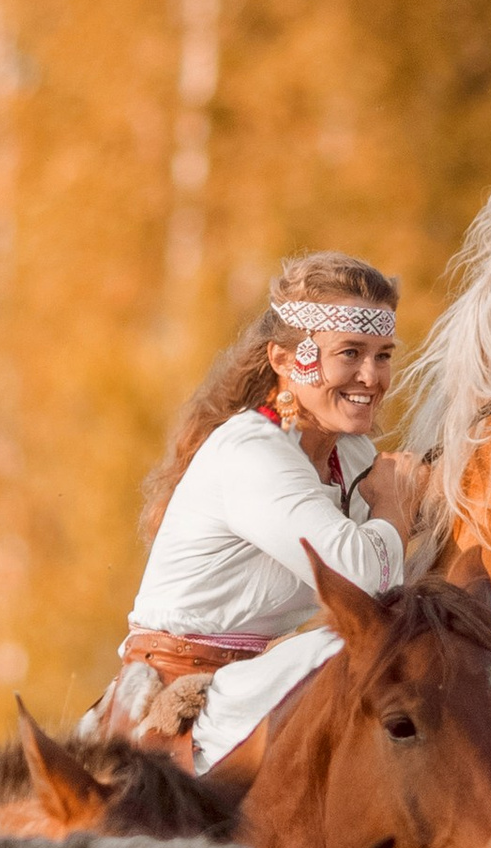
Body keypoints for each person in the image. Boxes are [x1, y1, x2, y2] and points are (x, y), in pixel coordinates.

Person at [94, 253, 429, 767]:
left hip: (246, 684)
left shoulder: (350, 455)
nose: (371, 376)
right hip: (183, 702)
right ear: (284, 360)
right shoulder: (253, 452)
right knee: (373, 660)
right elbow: (363, 583)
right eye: (350, 353)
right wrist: (393, 507)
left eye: (383, 355)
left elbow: (405, 552)